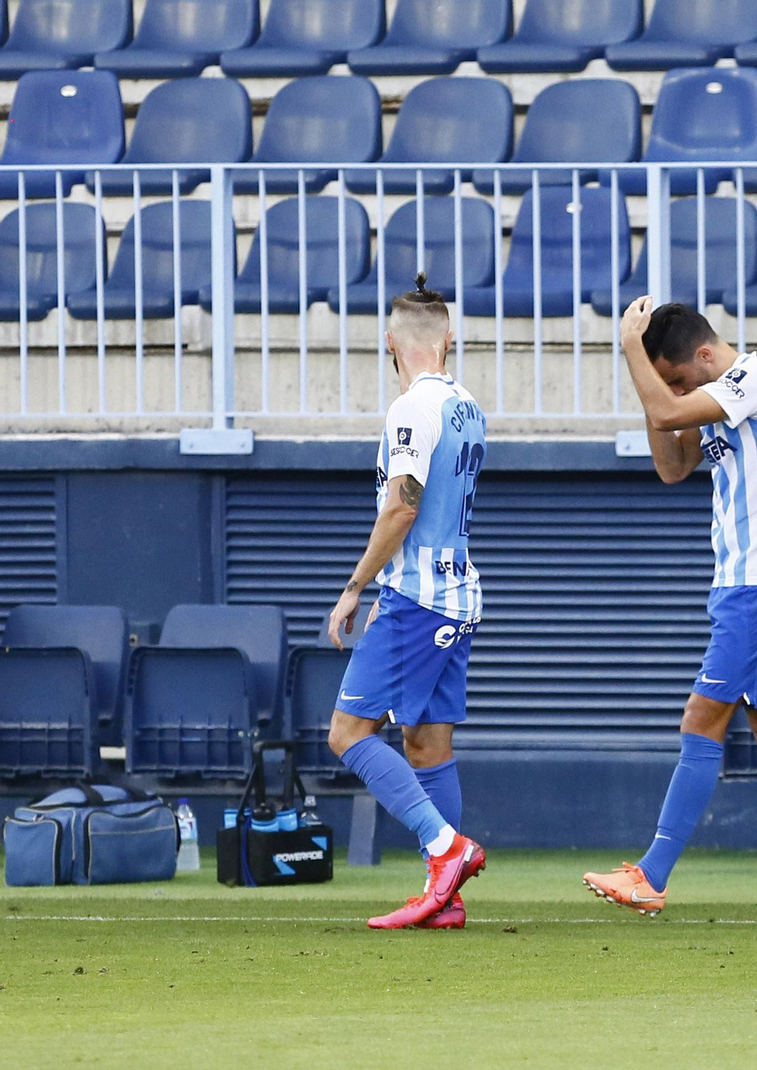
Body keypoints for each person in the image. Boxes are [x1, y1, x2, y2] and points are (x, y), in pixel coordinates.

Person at [580, 299, 757, 921]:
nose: (674, 393)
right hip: (749, 584)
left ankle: (652, 874)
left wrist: (632, 351)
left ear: (705, 355)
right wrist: (657, 389)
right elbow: (672, 463)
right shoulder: (714, 393)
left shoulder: (752, 376)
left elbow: (667, 409)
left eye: (679, 378)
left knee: (702, 718)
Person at [325, 273, 487, 931]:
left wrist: (354, 586)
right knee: (427, 743)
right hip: (459, 595)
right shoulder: (467, 405)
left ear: (390, 342)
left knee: (348, 733)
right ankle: (445, 898)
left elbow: (402, 506)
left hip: (415, 598)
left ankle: (445, 847)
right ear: (451, 339)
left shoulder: (411, 408)